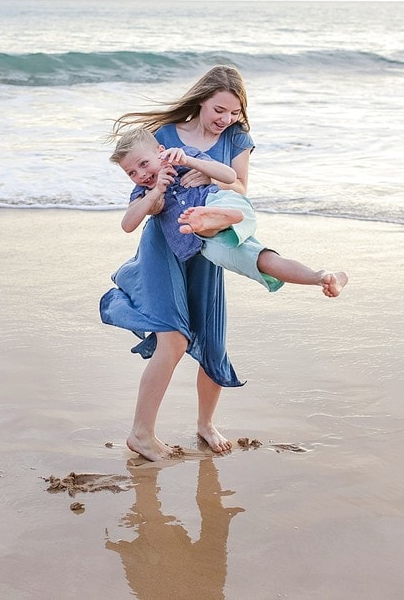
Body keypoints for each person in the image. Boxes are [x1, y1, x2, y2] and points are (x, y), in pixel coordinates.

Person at [100, 65, 339, 462]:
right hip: (165, 243)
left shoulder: (237, 137)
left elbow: (240, 186)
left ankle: (205, 424)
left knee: (212, 339)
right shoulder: (165, 136)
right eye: (218, 110)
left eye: (233, 112)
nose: (224, 119)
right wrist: (158, 190)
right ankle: (141, 433)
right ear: (202, 100)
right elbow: (142, 190)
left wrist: (203, 173)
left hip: (208, 239)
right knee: (172, 337)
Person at [110, 126, 348, 296]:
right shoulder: (143, 192)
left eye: (143, 163)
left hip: (223, 202)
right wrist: (155, 192)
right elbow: (127, 224)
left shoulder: (185, 156)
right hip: (208, 245)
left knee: (222, 206)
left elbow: (230, 176)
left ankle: (213, 218)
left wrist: (189, 162)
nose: (140, 174)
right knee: (263, 260)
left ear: (161, 150)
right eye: (131, 172)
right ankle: (322, 277)